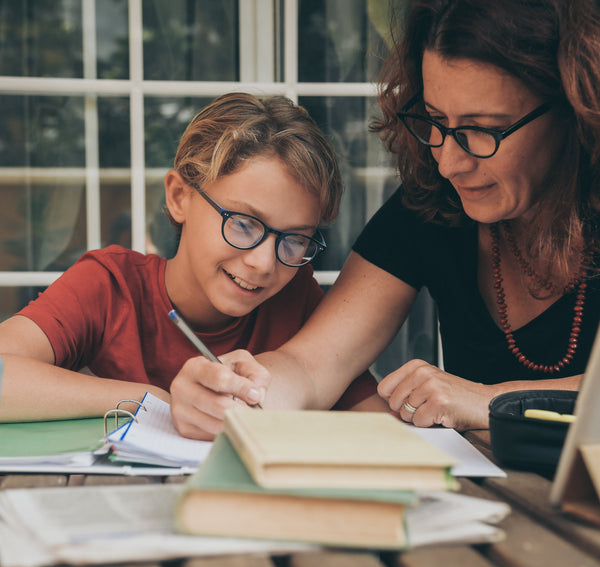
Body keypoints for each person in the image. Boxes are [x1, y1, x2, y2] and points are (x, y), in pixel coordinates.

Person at [171, 0, 600, 437]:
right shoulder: (434, 201)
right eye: (435, 121)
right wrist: (238, 395)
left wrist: (492, 401)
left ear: (575, 106)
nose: (449, 162)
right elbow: (312, 364)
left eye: (483, 129)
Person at [0, 92, 381, 433]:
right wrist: (154, 401)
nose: (264, 263)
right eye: (243, 224)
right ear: (180, 196)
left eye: (295, 239)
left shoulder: (297, 301)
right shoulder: (110, 286)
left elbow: (379, 426)